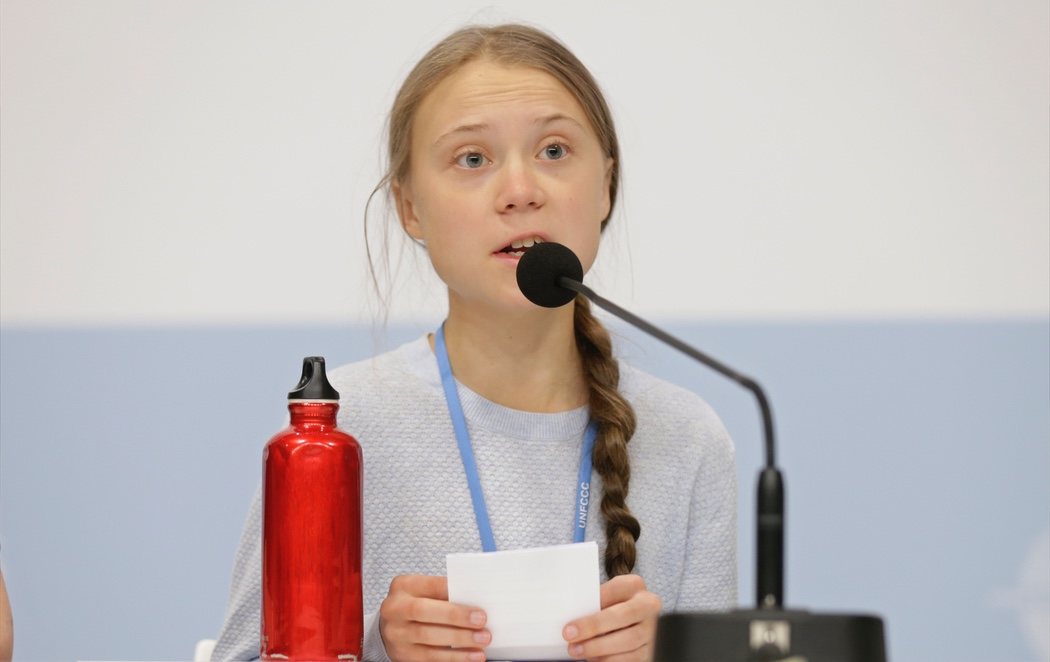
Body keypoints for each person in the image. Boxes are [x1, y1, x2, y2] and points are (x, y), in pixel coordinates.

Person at [213, 23, 736, 662]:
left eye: (553, 151)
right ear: (409, 208)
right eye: (472, 159)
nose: (521, 191)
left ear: (605, 185)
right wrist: (378, 653)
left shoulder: (687, 437)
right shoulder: (337, 432)